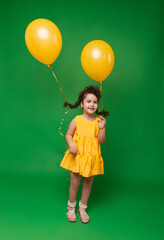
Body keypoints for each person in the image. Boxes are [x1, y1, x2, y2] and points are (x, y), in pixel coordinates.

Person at [60, 85, 110, 223]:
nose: (92, 104)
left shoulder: (98, 122)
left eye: (95, 102)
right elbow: (68, 134)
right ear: (82, 104)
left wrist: (102, 129)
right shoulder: (77, 120)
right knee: (75, 183)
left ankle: (82, 208)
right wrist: (72, 144)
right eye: (88, 101)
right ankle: (71, 208)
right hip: (77, 156)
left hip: (91, 157)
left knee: (88, 183)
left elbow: (101, 140)